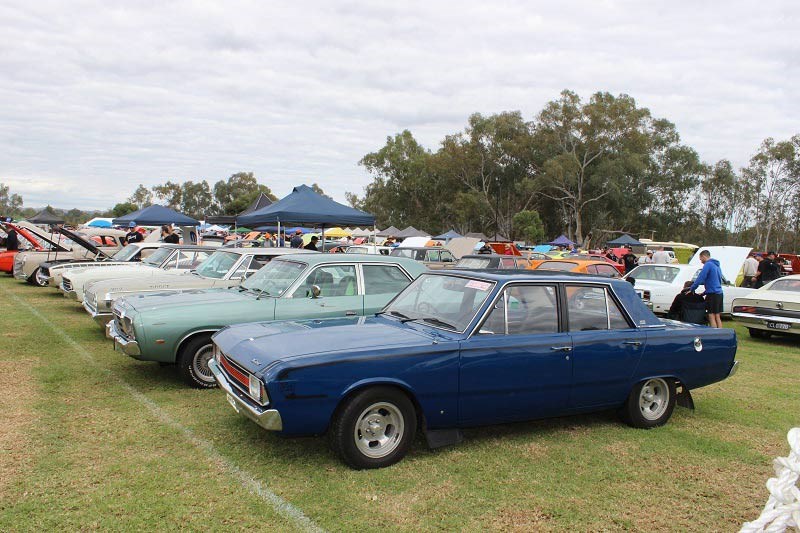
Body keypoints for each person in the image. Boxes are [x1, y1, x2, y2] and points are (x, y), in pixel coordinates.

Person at [688, 249, 723, 328]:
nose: (701, 261)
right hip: (719, 293)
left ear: (704, 256)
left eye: (701, 259)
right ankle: (720, 334)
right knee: (717, 315)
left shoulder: (708, 264)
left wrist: (692, 288)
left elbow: (701, 277)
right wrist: (704, 293)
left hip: (712, 294)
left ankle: (713, 334)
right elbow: (715, 281)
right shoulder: (717, 265)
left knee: (711, 315)